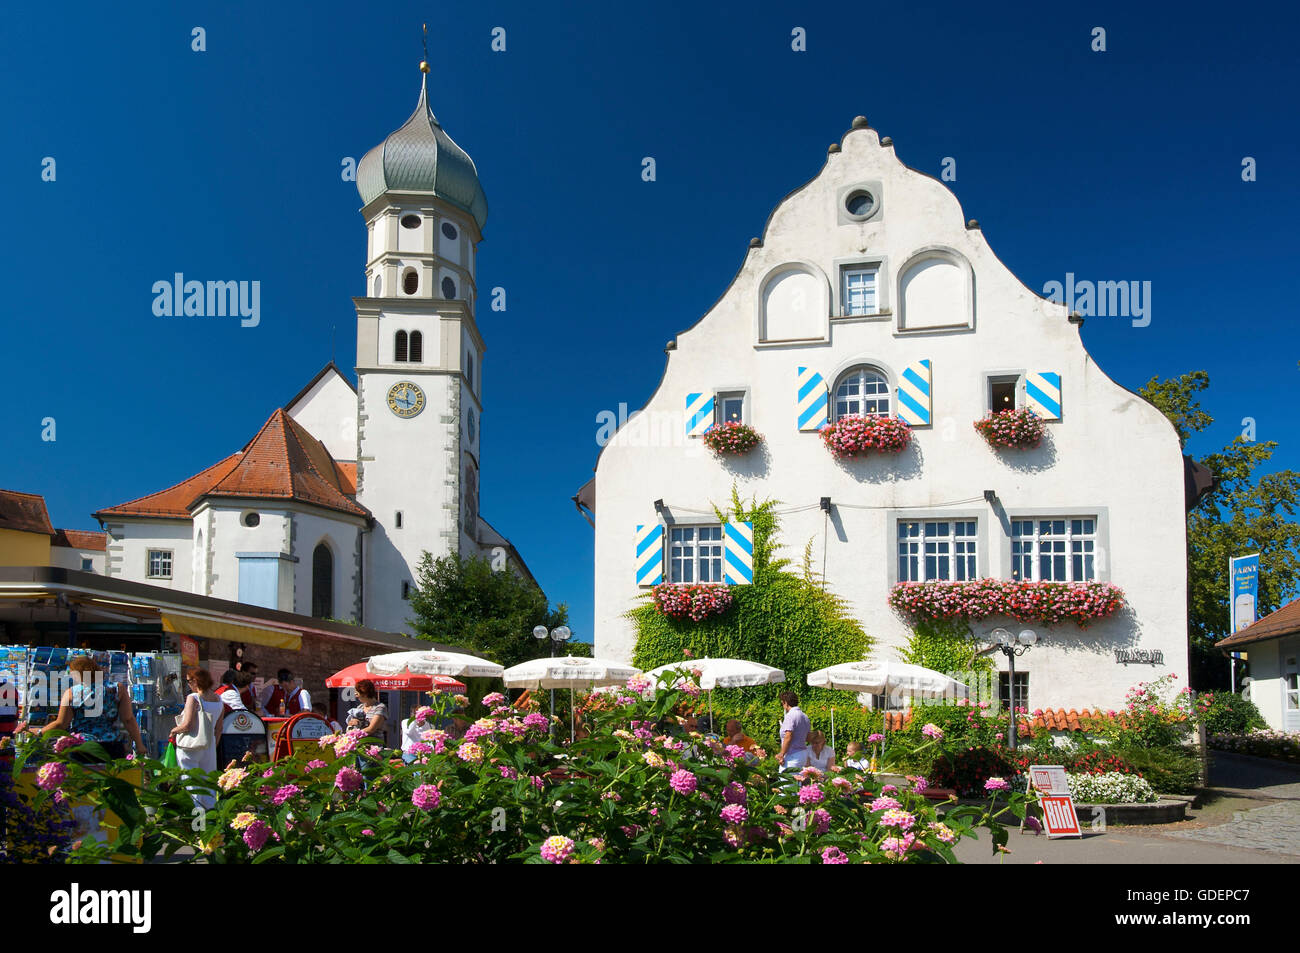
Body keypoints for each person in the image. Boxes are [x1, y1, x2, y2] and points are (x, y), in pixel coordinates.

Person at [18, 655, 144, 760]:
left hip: (82, 747)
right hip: (112, 745)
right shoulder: (117, 688)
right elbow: (128, 719)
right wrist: (139, 745)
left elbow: (61, 724)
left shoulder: (71, 693)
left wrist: (39, 732)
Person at [169, 669, 224, 810]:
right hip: (209, 745)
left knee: (191, 783)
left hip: (190, 746)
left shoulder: (193, 697)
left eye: (188, 681)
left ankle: (196, 819)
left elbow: (187, 725)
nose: (188, 684)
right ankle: (210, 816)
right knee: (208, 783)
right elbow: (219, 729)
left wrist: (174, 731)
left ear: (195, 681)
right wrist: (213, 745)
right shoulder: (219, 700)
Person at [776, 691, 810, 772]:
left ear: (786, 703)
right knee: (799, 778)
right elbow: (808, 736)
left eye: (782, 703)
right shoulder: (805, 716)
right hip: (803, 754)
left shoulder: (790, 715)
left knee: (785, 778)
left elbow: (788, 736)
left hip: (792, 755)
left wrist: (782, 754)